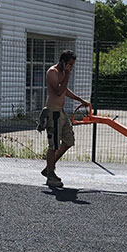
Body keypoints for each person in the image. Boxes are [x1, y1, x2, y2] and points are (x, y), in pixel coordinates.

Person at [39, 51, 90, 188]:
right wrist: (67, 75)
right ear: (63, 62)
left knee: (68, 140)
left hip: (61, 112)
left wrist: (80, 100)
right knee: (54, 145)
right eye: (70, 65)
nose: (71, 68)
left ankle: (49, 168)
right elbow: (59, 91)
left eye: (72, 66)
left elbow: (65, 91)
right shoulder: (53, 72)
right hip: (52, 113)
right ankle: (51, 175)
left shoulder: (63, 73)